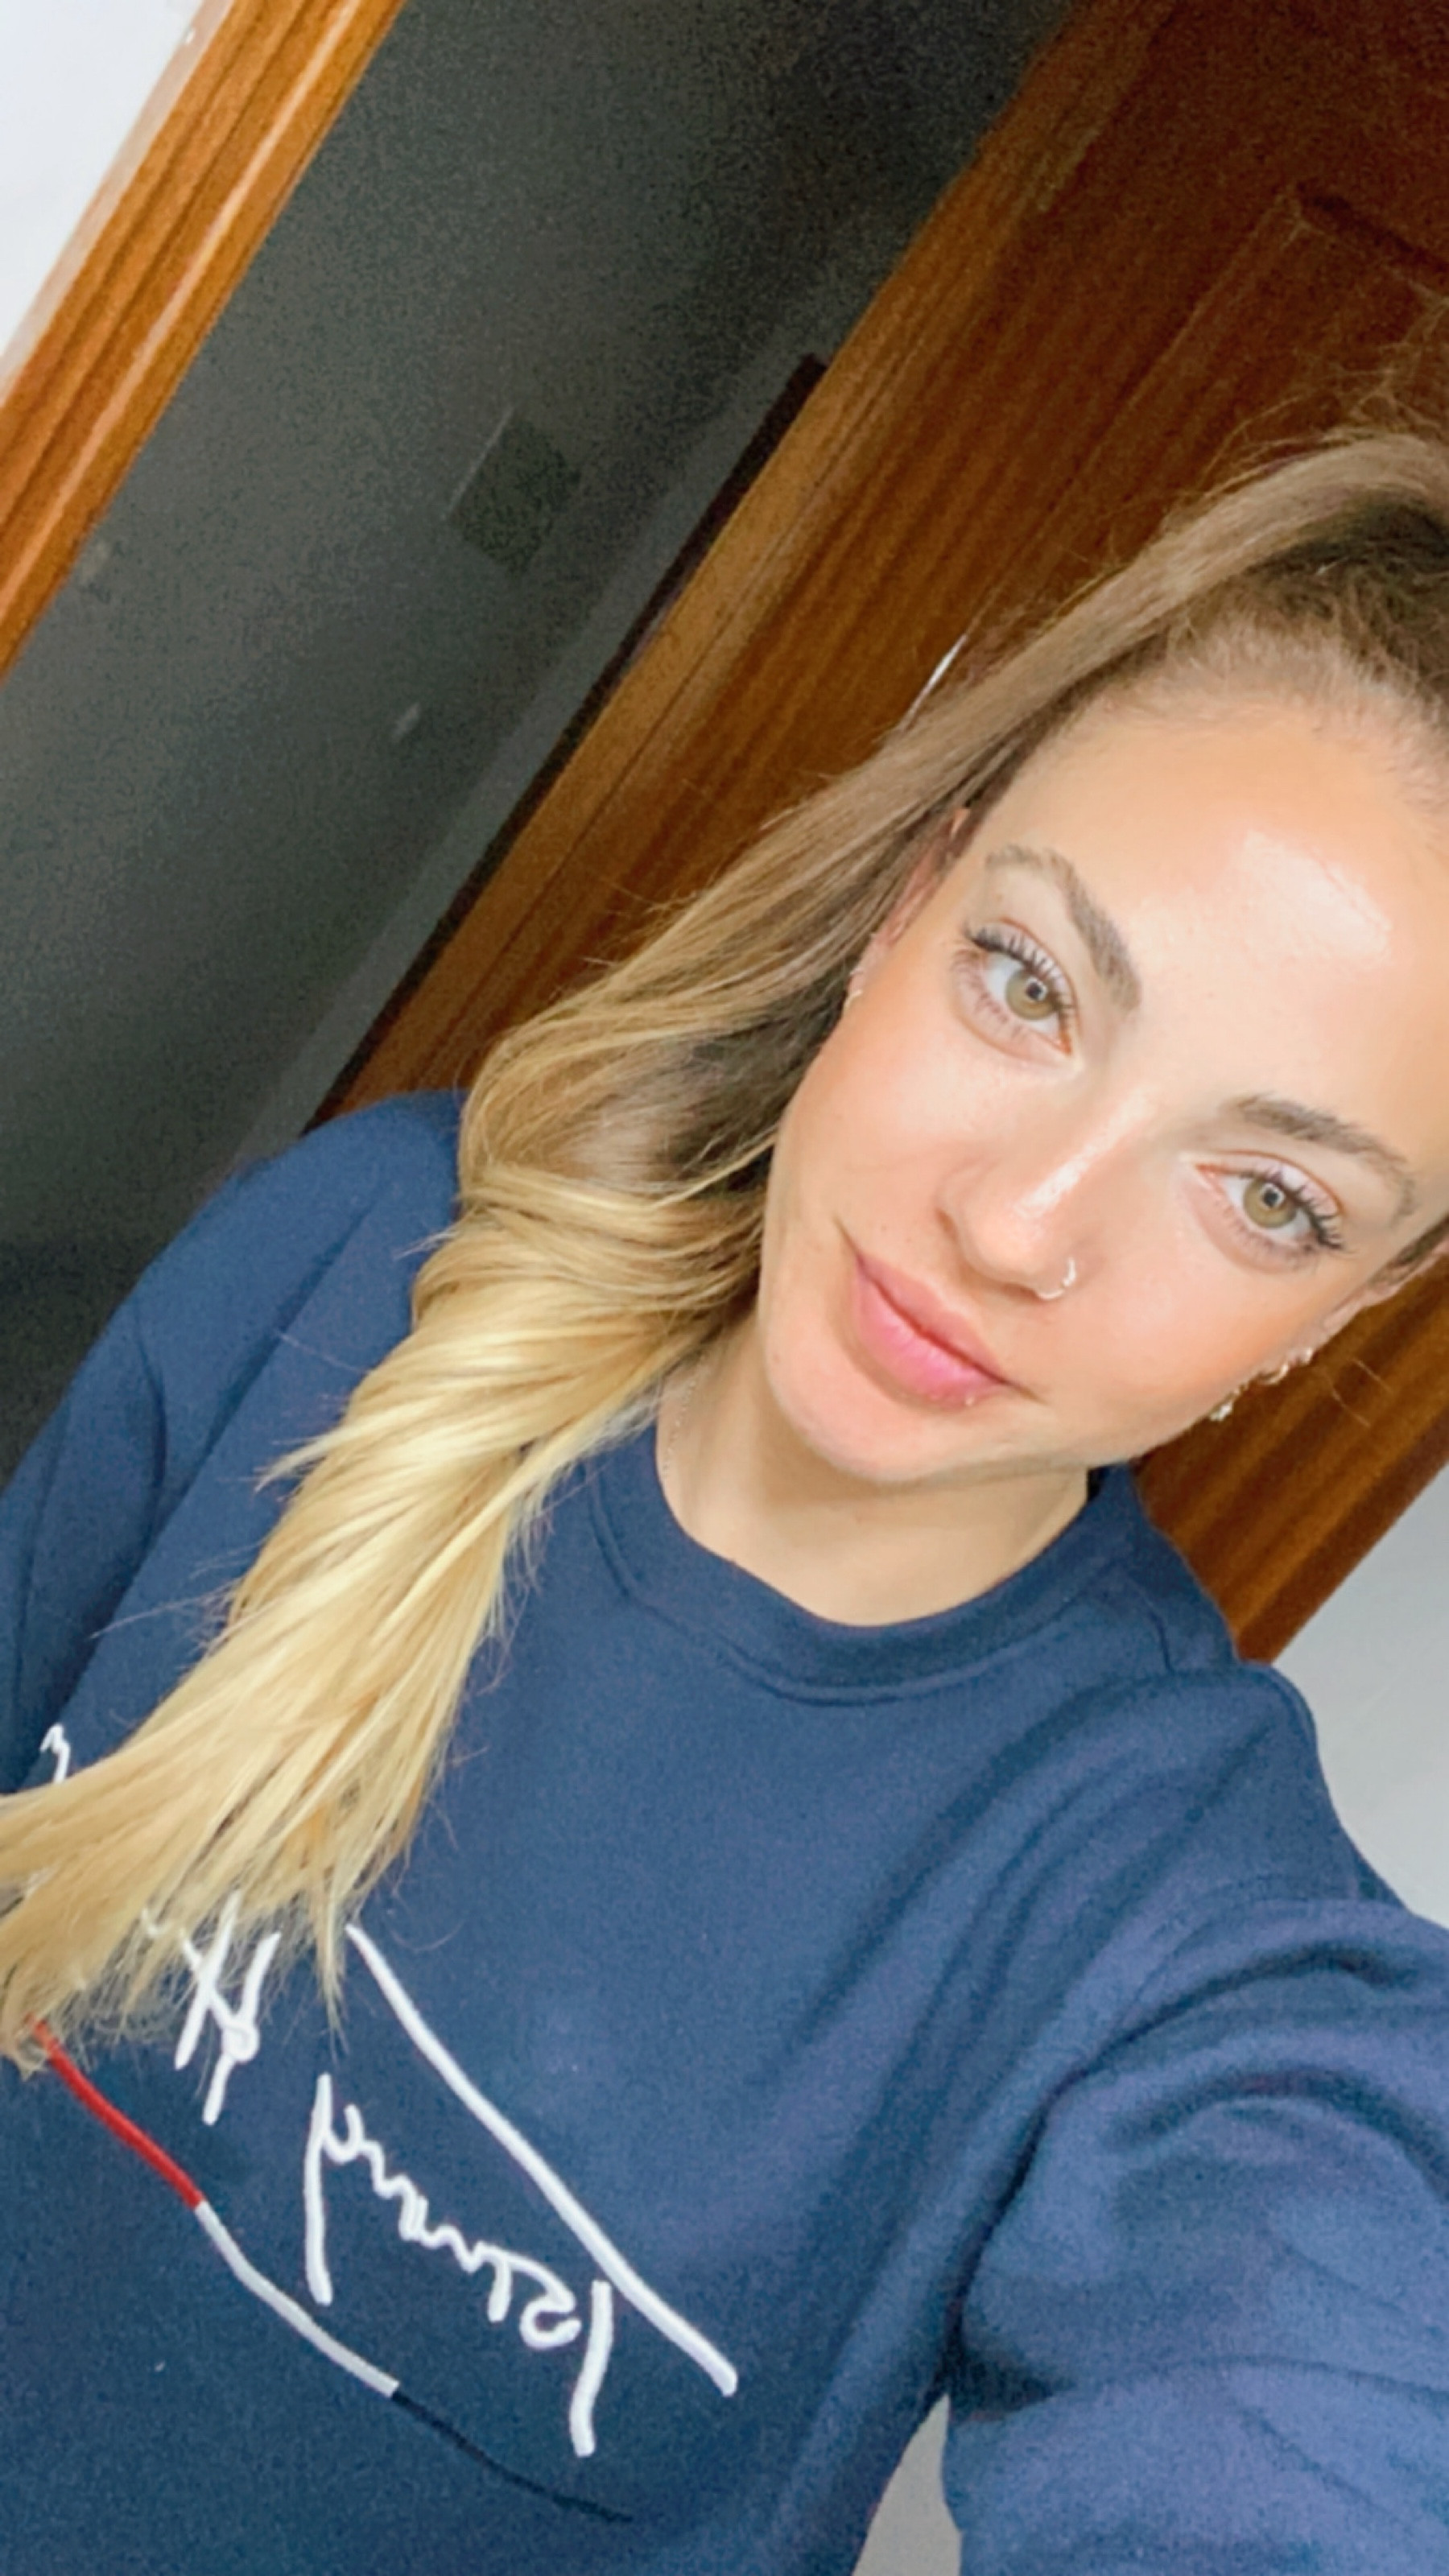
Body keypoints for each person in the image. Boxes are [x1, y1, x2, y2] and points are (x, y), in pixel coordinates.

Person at [3, 426, 1449, 2574]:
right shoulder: (365, 1254)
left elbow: (1294, 2419)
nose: (1018, 1224)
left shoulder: (1178, 1936)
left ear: (1351, 1306)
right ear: (909, 901)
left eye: (1268, 1196)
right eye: (1029, 983)